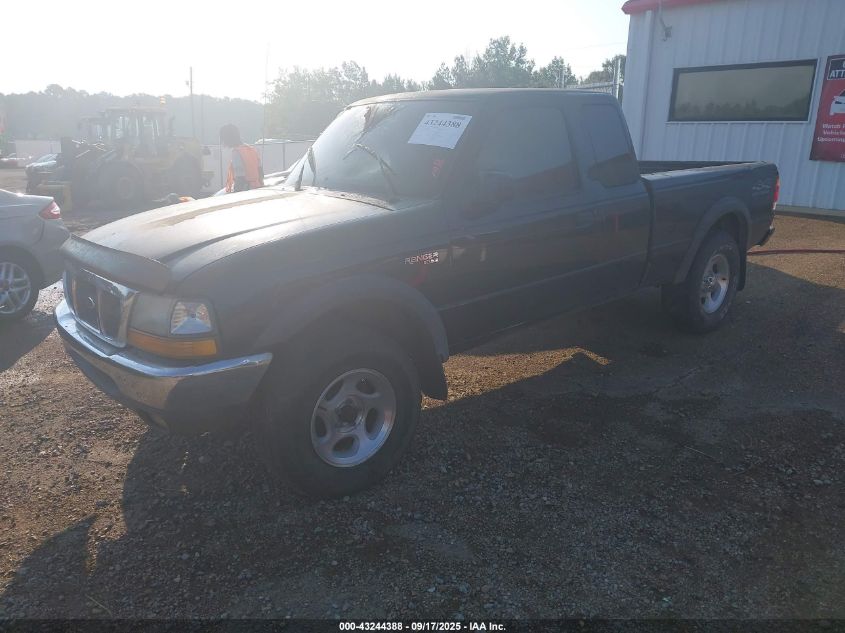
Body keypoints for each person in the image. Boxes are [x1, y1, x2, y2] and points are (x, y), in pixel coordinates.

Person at [220, 124, 264, 193]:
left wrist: (236, 193)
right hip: (257, 188)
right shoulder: (251, 149)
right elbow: (261, 172)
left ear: (227, 138)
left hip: (246, 191)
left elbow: (240, 178)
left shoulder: (236, 152)